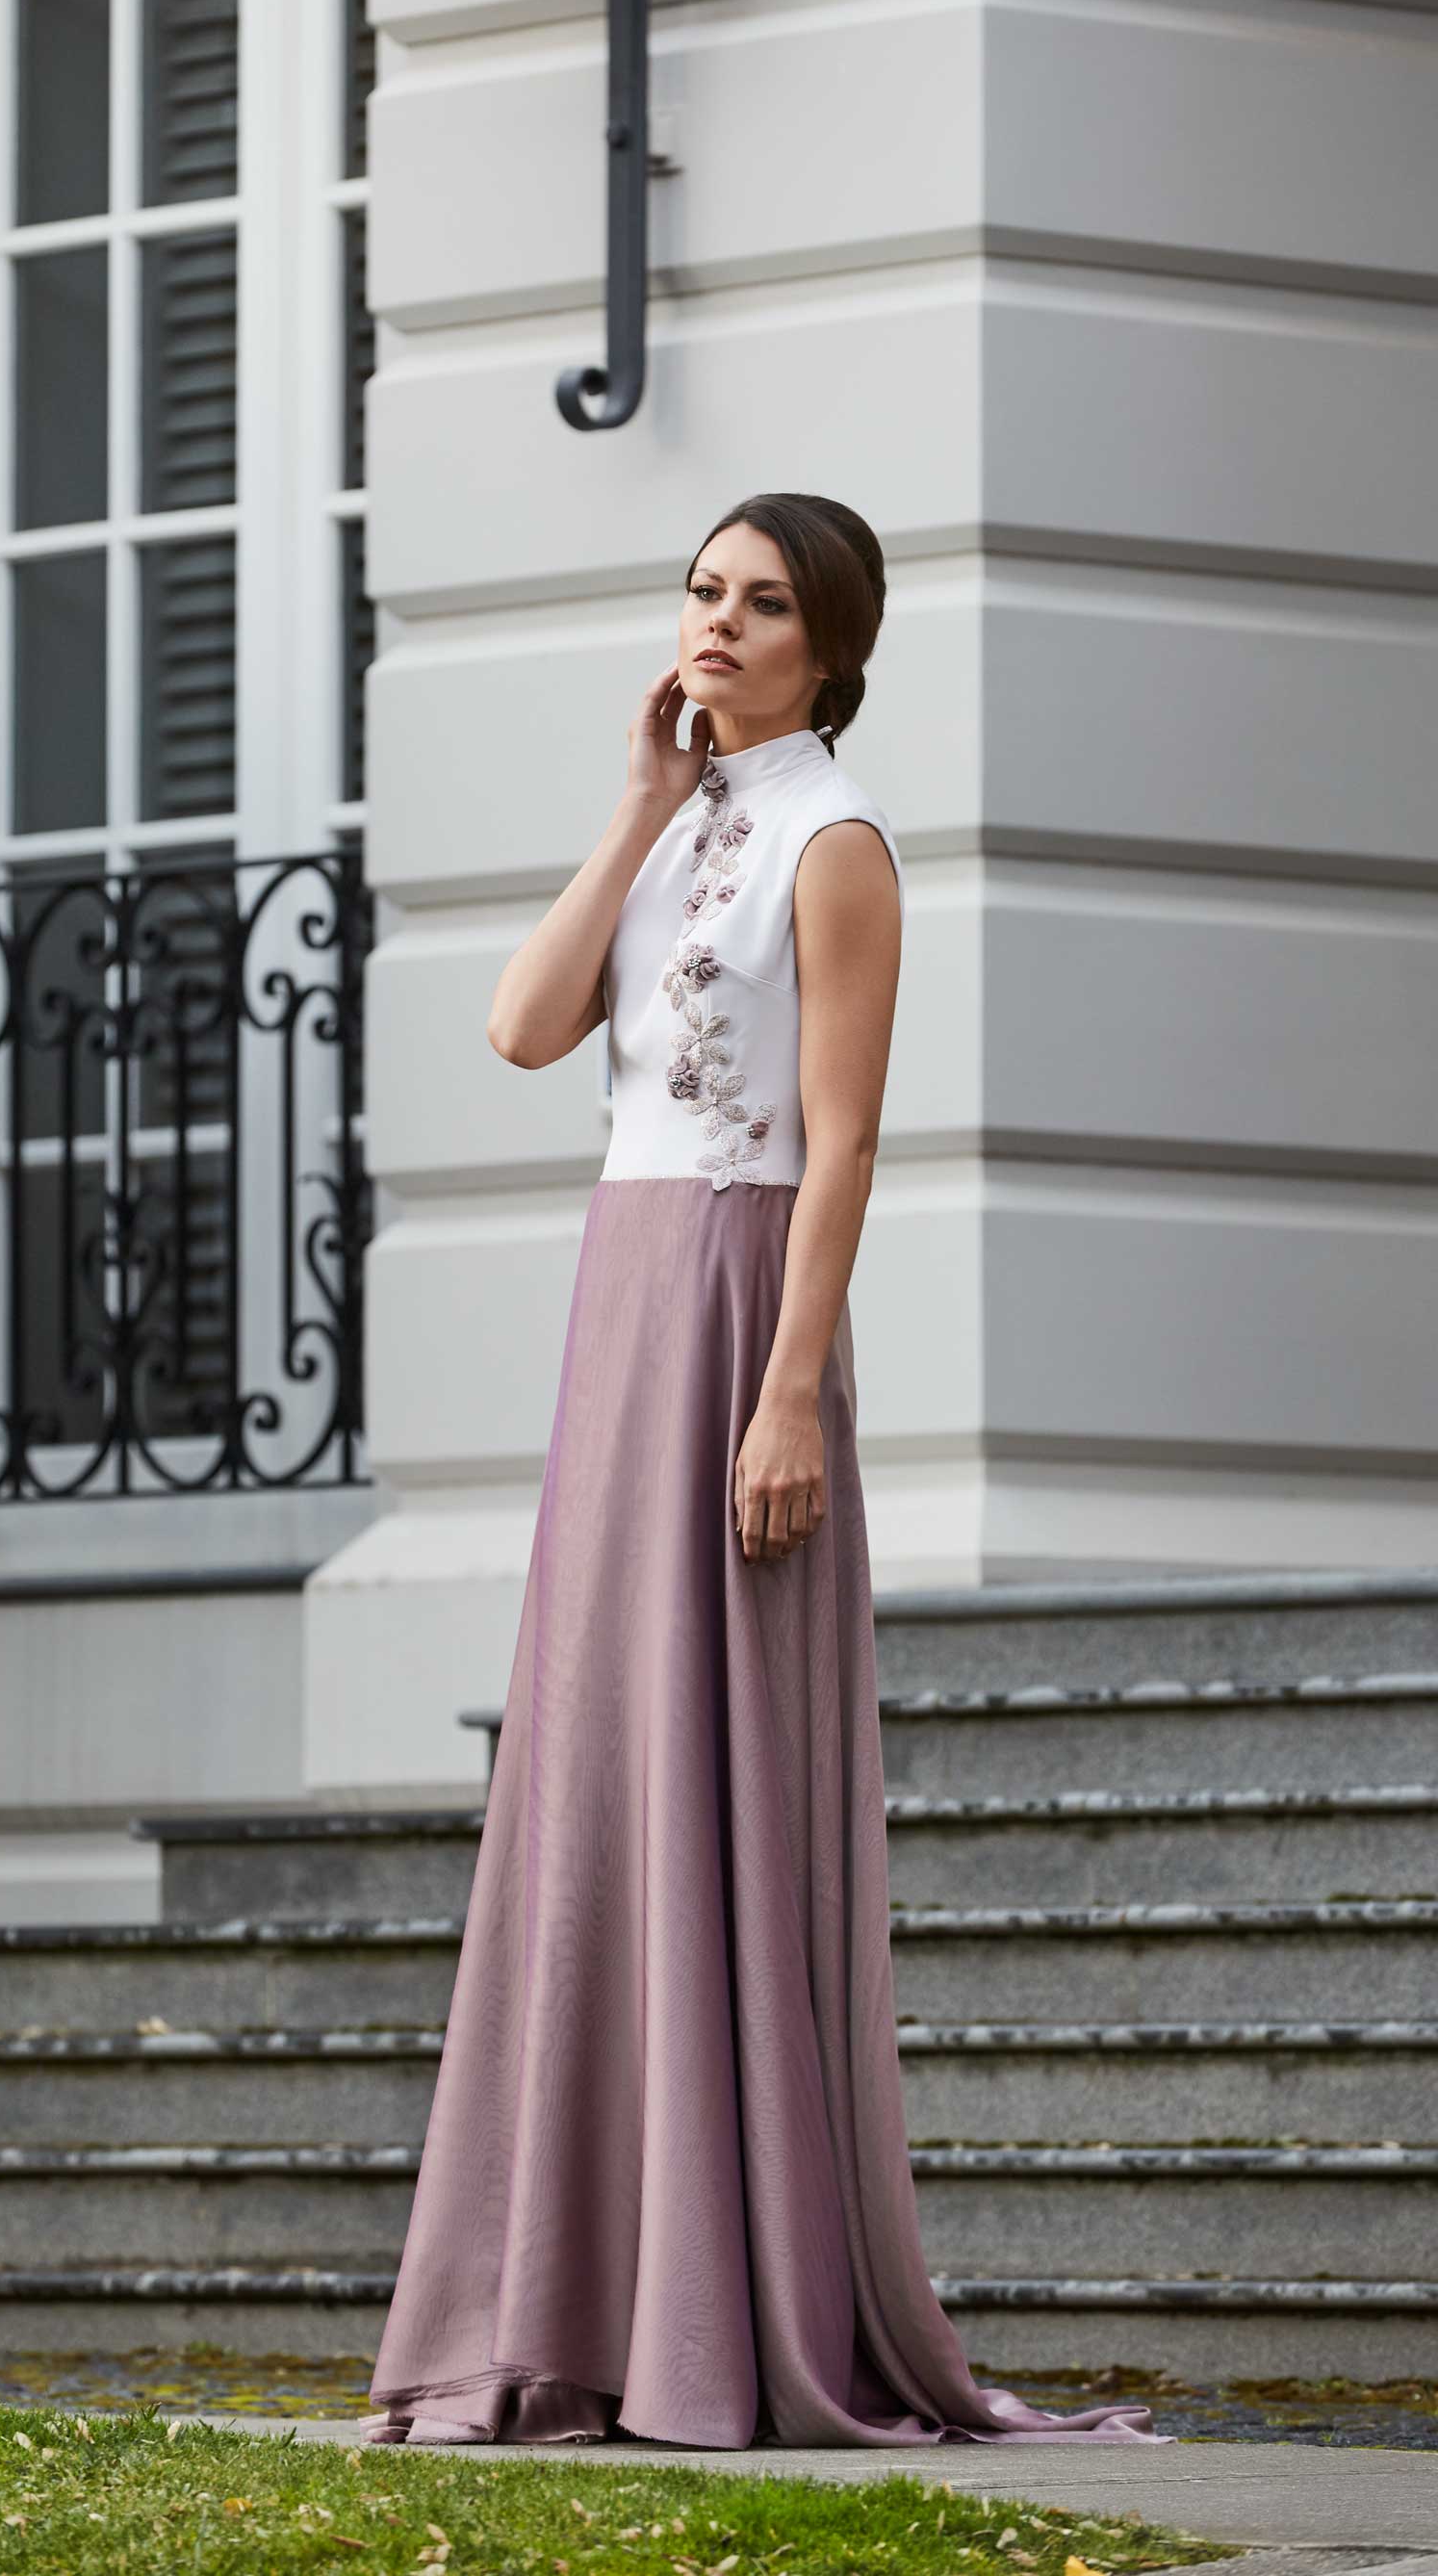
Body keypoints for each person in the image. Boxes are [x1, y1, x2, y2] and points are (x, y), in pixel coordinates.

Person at [357, 493, 1169, 2451]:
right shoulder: (682, 818)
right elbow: (522, 1026)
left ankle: (729, 2321)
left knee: (713, 1784)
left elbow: (845, 1140)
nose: (719, 624)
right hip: (624, 1309)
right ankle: (575, 2311)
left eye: (765, 603)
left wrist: (791, 1394)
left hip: (738, 1310)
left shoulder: (837, 841)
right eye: (703, 591)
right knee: (595, 1780)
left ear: (833, 646)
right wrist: (639, 801)